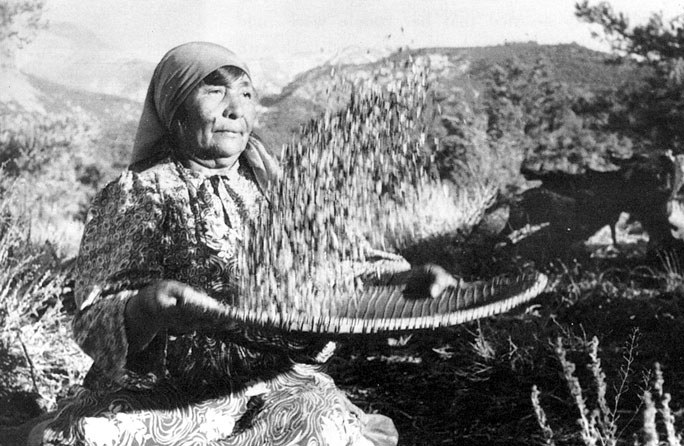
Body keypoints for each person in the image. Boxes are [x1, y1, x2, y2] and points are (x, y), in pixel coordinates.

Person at [27, 41, 454, 446]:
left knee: (320, 427)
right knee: (96, 437)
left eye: (246, 94)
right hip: (161, 389)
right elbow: (93, 315)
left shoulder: (272, 188)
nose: (235, 109)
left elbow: (332, 265)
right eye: (215, 92)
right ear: (174, 108)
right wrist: (149, 307)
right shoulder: (138, 194)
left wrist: (404, 276)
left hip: (266, 381)